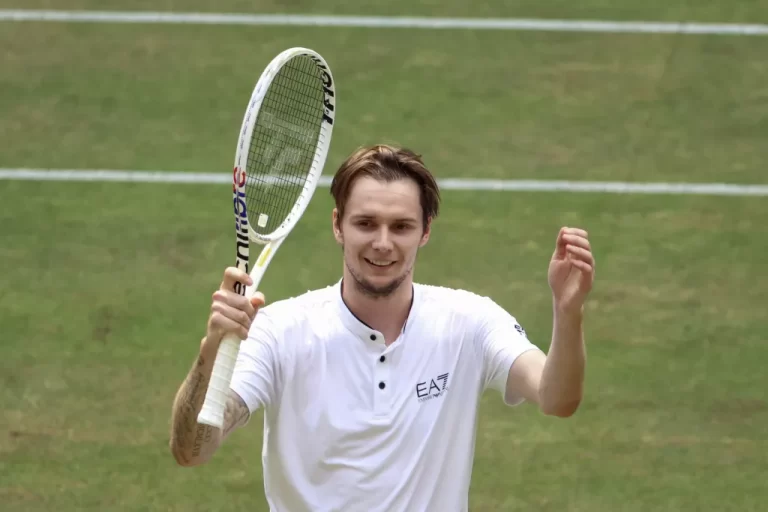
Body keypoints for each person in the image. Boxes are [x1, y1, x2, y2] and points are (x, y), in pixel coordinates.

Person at [169, 144, 595, 511]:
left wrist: (567, 311)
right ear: (338, 225)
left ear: (425, 231)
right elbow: (191, 450)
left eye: (402, 226)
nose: (383, 243)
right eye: (366, 223)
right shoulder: (280, 331)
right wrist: (211, 352)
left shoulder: (470, 322)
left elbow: (557, 398)